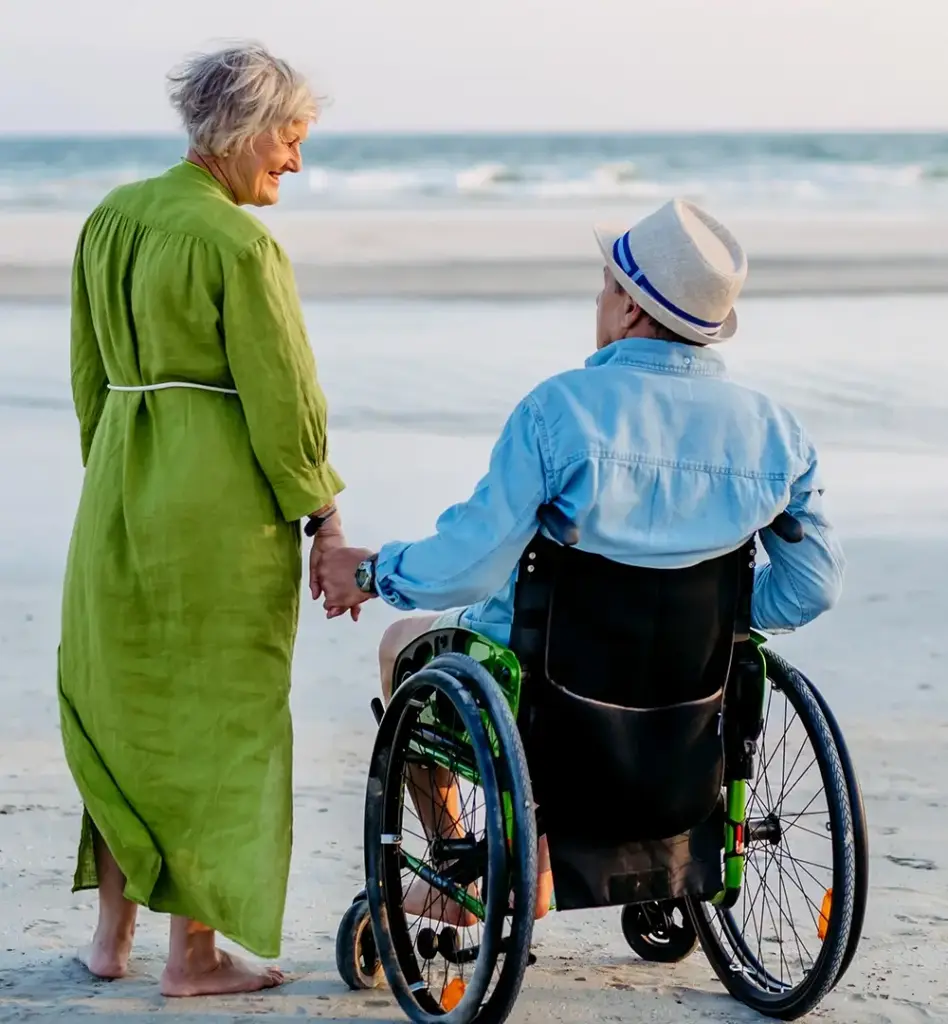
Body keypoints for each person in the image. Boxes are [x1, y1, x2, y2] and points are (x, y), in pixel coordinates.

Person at [314, 197, 846, 919]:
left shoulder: (558, 413)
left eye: (604, 286)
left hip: (554, 709)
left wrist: (376, 573)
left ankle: (459, 868)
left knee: (401, 645)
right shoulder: (776, 437)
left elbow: (467, 567)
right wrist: (712, 612)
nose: (598, 301)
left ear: (628, 309)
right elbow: (811, 586)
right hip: (689, 714)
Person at [59, 43, 349, 997]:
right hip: (220, 513)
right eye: (290, 140)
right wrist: (325, 521)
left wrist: (122, 475)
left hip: (116, 493)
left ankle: (112, 941)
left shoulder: (109, 220)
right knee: (223, 717)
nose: (295, 162)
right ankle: (192, 956)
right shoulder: (240, 244)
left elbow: (88, 380)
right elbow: (283, 402)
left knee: (122, 710)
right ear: (243, 131)